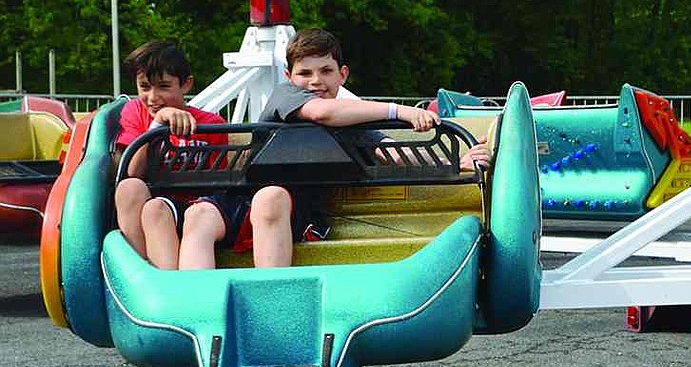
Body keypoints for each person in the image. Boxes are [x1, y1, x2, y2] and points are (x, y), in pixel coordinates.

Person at [244, 28, 492, 268]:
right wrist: (399, 111)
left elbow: (392, 152)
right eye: (305, 73)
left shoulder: (349, 122)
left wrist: (457, 162)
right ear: (289, 77)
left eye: (326, 71)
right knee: (256, 201)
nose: (315, 81)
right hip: (245, 205)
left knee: (275, 201)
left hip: (298, 216)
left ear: (342, 75)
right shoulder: (286, 96)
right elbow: (321, 113)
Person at [113, 40, 231, 270]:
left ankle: (173, 282)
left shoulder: (212, 124)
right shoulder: (135, 112)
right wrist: (158, 124)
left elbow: (219, 183)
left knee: (178, 213)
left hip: (197, 207)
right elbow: (133, 171)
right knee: (131, 190)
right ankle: (141, 268)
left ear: (186, 85)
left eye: (163, 87)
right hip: (155, 206)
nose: (153, 97)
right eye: (144, 87)